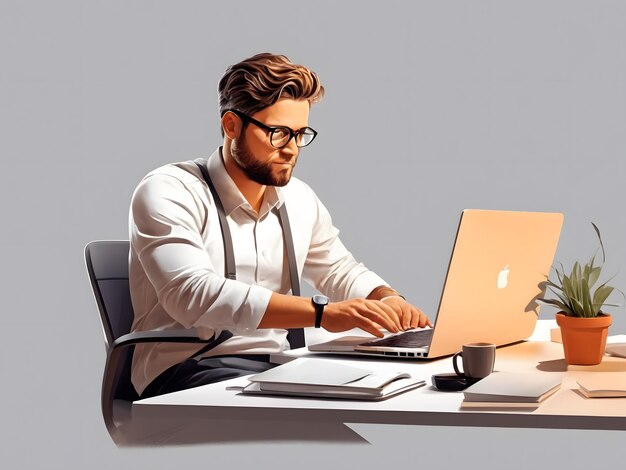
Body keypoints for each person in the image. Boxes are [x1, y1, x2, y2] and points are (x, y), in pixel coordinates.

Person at [129, 52, 431, 398]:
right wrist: (320, 314)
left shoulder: (298, 198)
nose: (291, 149)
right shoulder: (170, 189)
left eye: (301, 134)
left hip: (275, 367)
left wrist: (387, 299)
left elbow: (338, 269)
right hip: (183, 373)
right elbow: (192, 295)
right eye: (278, 133)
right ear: (231, 125)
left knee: (386, 396)